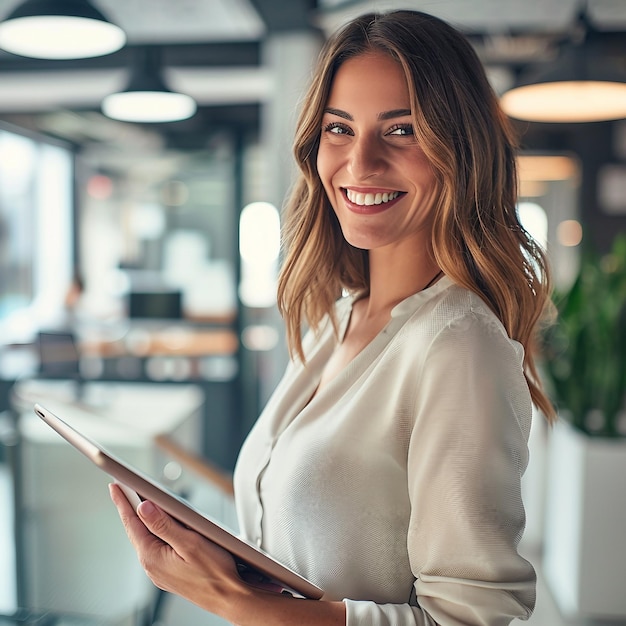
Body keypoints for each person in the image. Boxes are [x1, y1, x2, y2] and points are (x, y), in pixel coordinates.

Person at [110, 9, 556, 625]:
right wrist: (218, 565)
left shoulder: (457, 343)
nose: (361, 161)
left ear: (461, 150)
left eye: (401, 130)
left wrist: (232, 601)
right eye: (339, 128)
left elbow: (468, 618)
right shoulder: (335, 320)